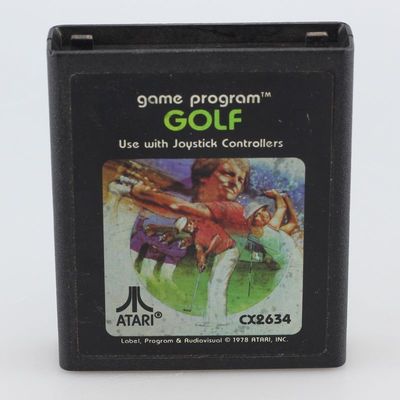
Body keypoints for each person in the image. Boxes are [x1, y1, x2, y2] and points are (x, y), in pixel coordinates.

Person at [174, 216, 239, 324]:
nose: (187, 229)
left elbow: (218, 238)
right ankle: (210, 319)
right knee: (211, 285)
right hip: (220, 255)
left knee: (218, 285)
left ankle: (221, 320)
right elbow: (199, 249)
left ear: (190, 222)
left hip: (229, 252)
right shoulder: (195, 235)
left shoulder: (205, 223)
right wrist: (201, 261)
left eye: (186, 226)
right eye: (185, 230)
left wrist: (206, 253)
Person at [244, 190, 301, 272]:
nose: (263, 215)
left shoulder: (274, 232)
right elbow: (282, 207)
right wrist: (276, 194)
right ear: (252, 221)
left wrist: (287, 199)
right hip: (293, 269)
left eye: (264, 210)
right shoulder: (268, 230)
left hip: (294, 267)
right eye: (257, 215)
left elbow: (293, 223)